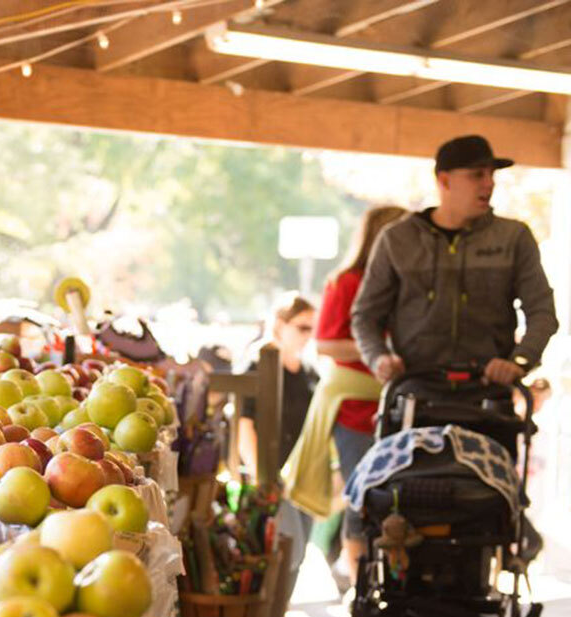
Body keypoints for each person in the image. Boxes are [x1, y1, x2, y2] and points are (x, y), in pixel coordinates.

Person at [351, 135, 557, 387]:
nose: (489, 184)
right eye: (477, 175)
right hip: (415, 389)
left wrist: (519, 362)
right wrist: (379, 358)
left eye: (492, 175)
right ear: (444, 180)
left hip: (489, 392)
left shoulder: (514, 237)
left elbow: (542, 311)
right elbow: (365, 316)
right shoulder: (397, 239)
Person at [282, 206, 408, 584]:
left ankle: (390, 581)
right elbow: (326, 344)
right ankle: (360, 582)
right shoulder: (346, 282)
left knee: (397, 499)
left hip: (402, 407)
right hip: (354, 409)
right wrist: (378, 353)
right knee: (362, 494)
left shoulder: (408, 285)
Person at [238, 296, 318, 582]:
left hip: (300, 480)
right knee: (287, 553)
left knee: (297, 555)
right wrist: (265, 478)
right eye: (302, 327)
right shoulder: (259, 365)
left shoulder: (310, 373)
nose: (309, 335)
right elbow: (244, 425)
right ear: (281, 325)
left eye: (313, 328)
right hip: (271, 479)